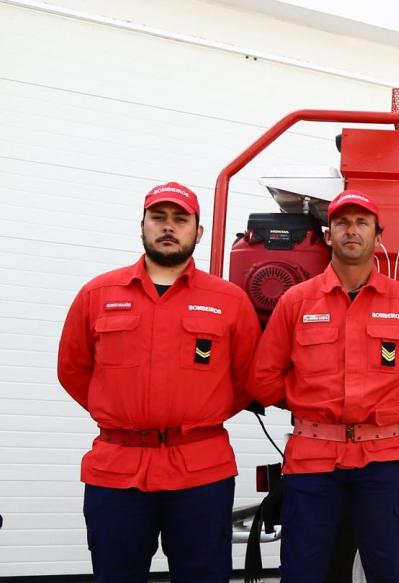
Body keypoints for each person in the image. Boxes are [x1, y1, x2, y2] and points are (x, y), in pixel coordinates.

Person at [57, 182, 260, 582]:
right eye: (159, 218)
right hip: (118, 468)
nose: (169, 227)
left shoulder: (230, 301)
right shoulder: (98, 294)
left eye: (180, 219)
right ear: (143, 225)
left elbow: (247, 378)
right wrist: (123, 411)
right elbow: (74, 370)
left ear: (197, 232)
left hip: (200, 468)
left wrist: (198, 411)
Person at [249, 190, 399, 583]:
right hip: (312, 457)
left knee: (388, 569)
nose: (351, 230)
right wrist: (311, 404)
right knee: (304, 569)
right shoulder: (297, 302)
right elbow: (263, 379)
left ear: (378, 236)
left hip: (381, 459)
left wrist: (388, 406)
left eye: (361, 223)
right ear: (328, 235)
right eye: (342, 222)